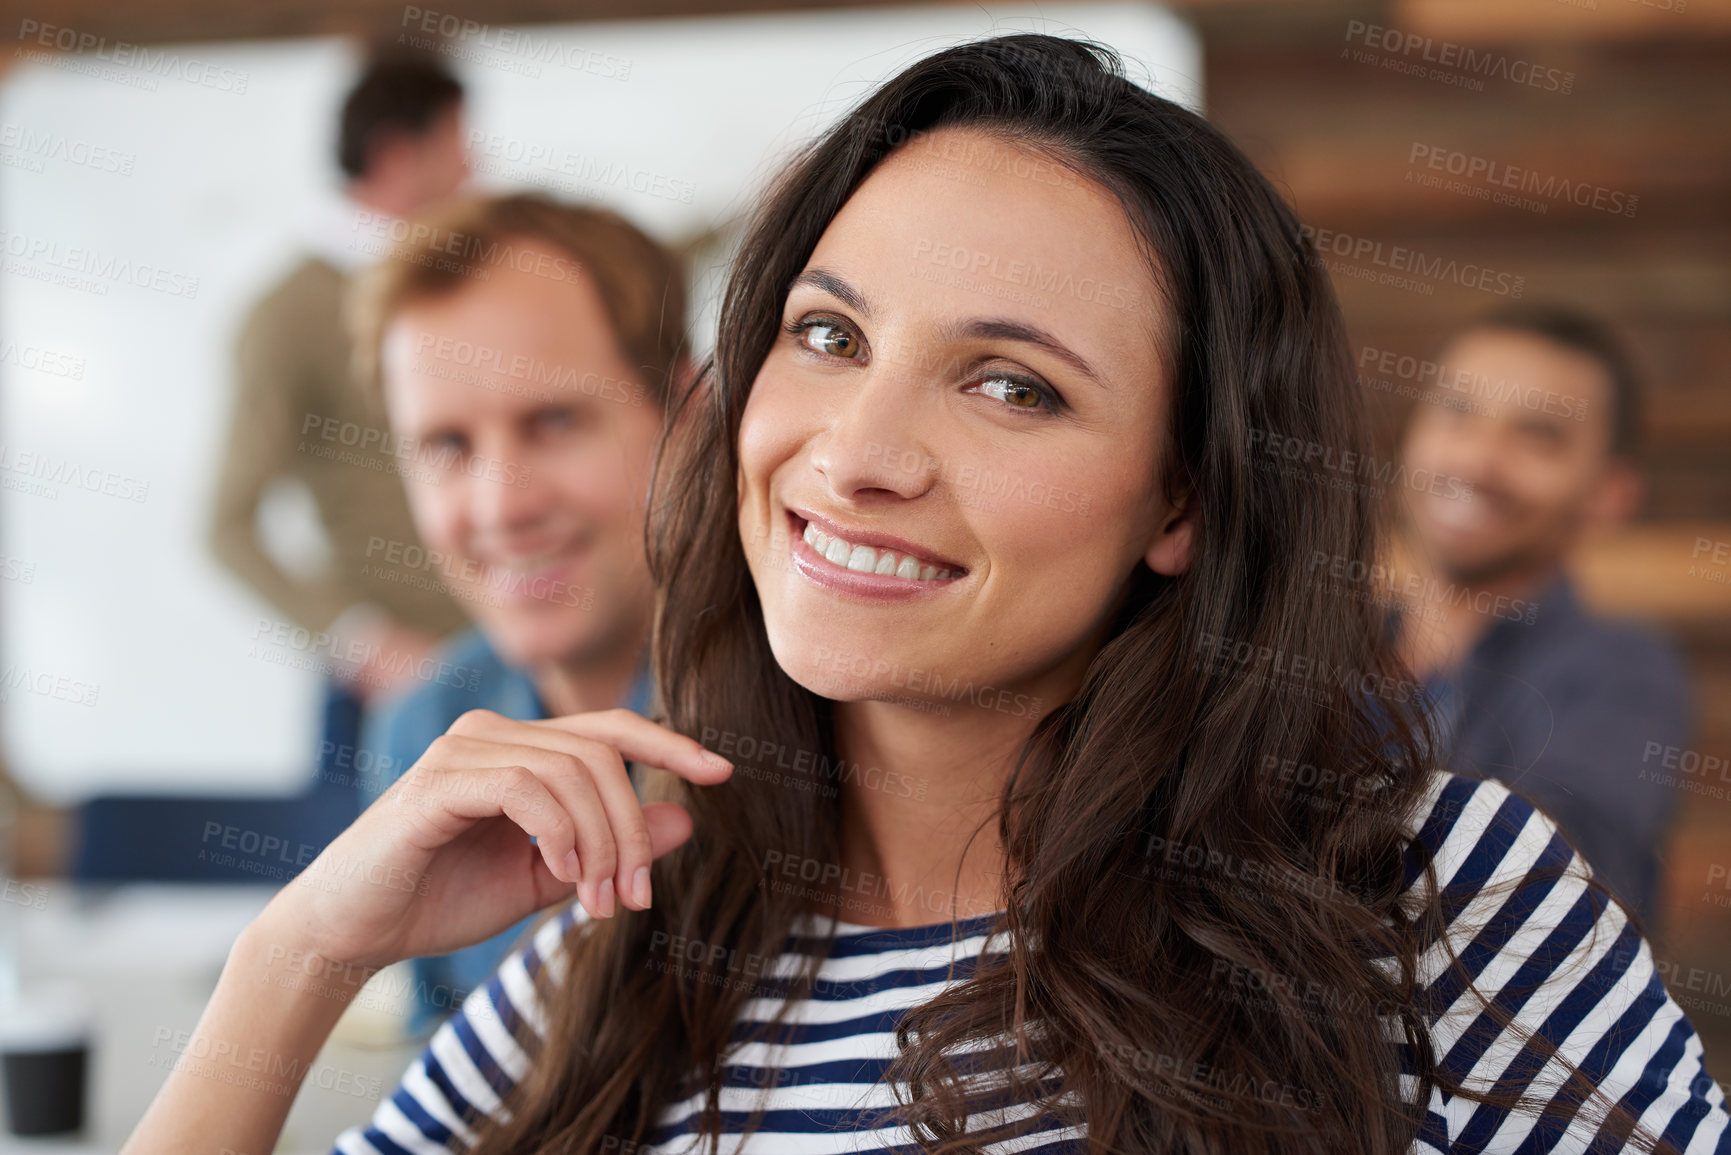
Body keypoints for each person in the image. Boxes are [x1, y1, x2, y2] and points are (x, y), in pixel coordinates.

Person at [125, 36, 1730, 1155]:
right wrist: (301, 955)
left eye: (1010, 385)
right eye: (827, 336)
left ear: (1181, 497)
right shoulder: (616, 954)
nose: (858, 451)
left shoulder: (1437, 905)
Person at [341, 192, 686, 1029]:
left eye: (555, 420)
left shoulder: (831, 720)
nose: (500, 507)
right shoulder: (422, 728)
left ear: (688, 417)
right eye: (448, 446)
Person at [1392, 305, 1693, 928]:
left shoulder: (1624, 673)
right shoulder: (1320, 635)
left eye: (1538, 437)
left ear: (1610, 494)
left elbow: (1549, 874)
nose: (1477, 462)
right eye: (1457, 413)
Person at [208, 55, 472, 735]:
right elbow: (225, 524)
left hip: (510, 656)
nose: (473, 167)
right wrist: (363, 642)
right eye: (456, 144)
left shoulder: (463, 285)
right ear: (395, 156)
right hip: (401, 692)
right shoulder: (289, 313)